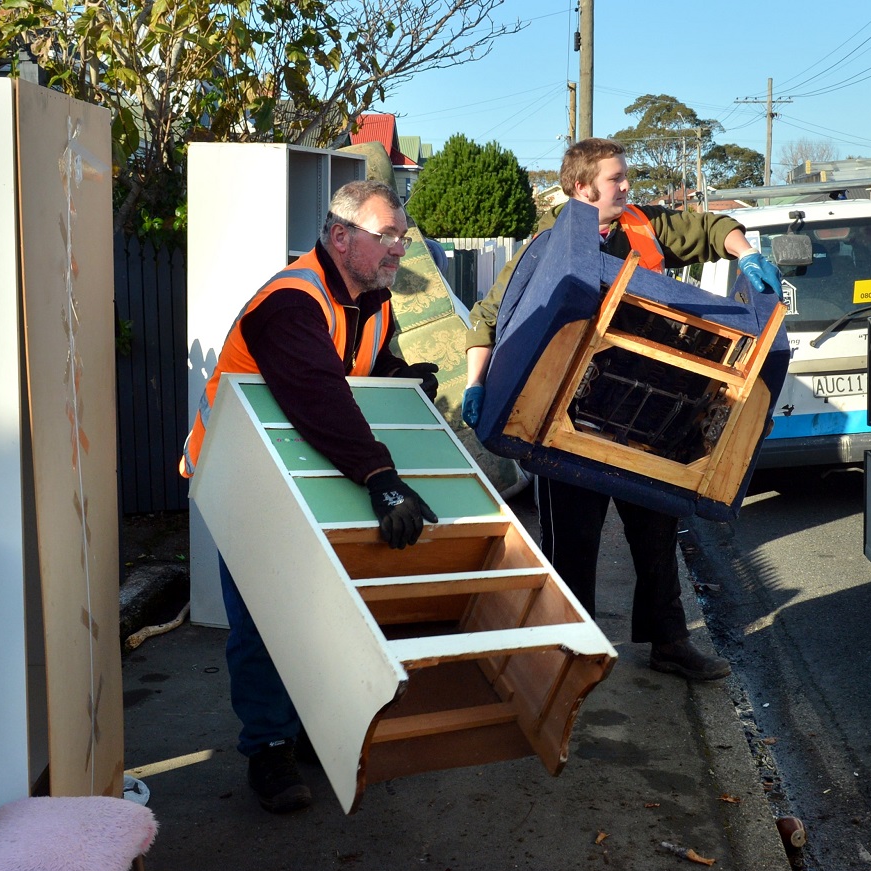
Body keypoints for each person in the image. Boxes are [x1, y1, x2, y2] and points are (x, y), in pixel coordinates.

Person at [456, 138, 782, 682]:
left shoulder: (644, 226)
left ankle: (669, 644)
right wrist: (477, 382)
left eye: (626, 178)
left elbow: (710, 229)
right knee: (571, 547)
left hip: (647, 416)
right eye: (616, 180)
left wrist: (745, 251)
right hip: (567, 420)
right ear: (582, 187)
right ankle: (565, 651)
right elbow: (488, 318)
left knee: (657, 537)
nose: (627, 187)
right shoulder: (545, 246)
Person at [179, 180, 441, 814]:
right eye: (387, 236)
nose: (397, 249)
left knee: (319, 612)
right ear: (341, 236)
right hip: (239, 474)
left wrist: (409, 382)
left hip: (308, 473)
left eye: (402, 237)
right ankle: (268, 750)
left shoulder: (375, 302)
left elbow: (367, 374)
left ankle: (305, 735)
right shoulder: (291, 301)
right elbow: (316, 396)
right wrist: (380, 480)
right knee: (263, 620)